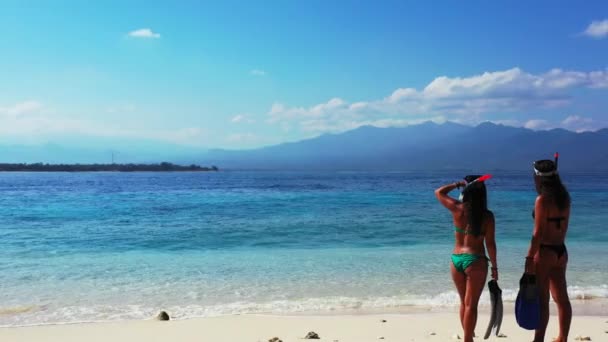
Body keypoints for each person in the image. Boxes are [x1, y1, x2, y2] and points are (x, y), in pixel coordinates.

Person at [435, 175, 498, 342]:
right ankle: (468, 339)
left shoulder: (457, 208)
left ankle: (467, 336)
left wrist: (457, 184)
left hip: (456, 260)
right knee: (471, 305)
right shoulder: (487, 216)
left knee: (464, 302)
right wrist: (495, 267)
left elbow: (439, 192)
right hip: (475, 260)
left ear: (467, 191)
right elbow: (490, 244)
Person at [526, 158, 571, 342]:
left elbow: (537, 234)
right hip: (561, 251)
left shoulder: (542, 200)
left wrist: (529, 256)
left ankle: (539, 340)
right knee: (562, 299)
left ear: (538, 178)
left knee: (543, 301)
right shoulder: (564, 198)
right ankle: (562, 337)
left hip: (544, 252)